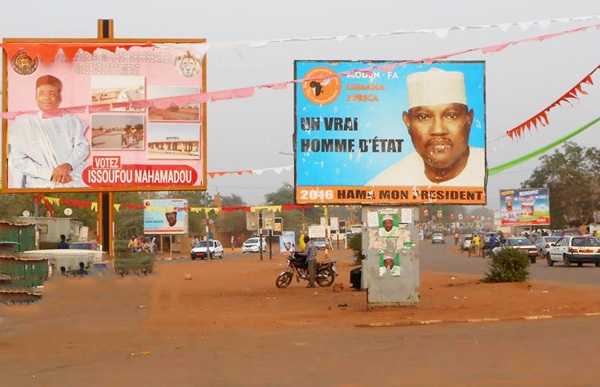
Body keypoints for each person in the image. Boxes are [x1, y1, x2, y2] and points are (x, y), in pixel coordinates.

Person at [367, 68, 485, 186]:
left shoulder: (489, 168)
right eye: (423, 117)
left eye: (451, 115)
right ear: (408, 122)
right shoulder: (383, 185)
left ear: (469, 119)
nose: (438, 130)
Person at [8, 74, 90, 188]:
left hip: (73, 179)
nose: (46, 98)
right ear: (35, 96)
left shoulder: (71, 120)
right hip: (40, 184)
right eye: (42, 93)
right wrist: (50, 174)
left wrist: (67, 166)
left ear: (59, 97)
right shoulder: (22, 123)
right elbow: (18, 160)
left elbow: (82, 147)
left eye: (51, 94)